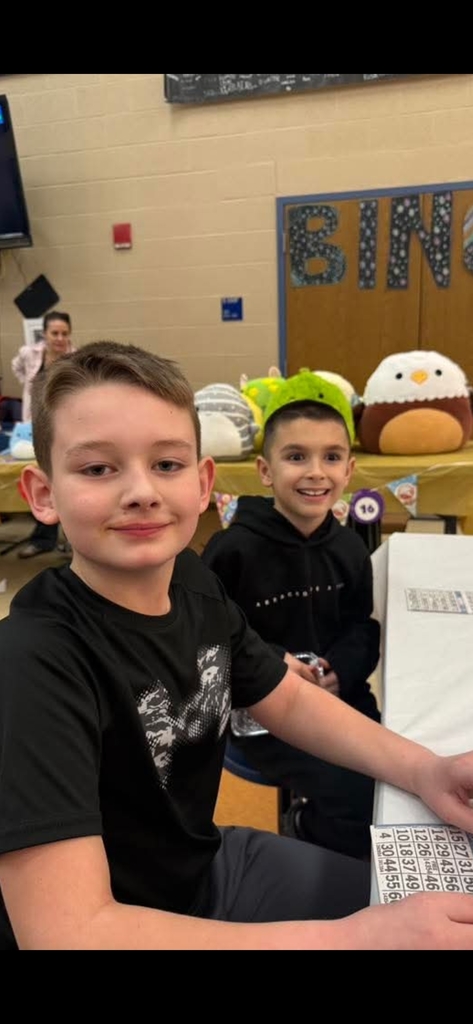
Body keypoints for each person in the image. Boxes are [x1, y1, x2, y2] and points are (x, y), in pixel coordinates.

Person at [1, 342, 473, 951]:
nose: (141, 491)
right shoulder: (32, 663)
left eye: (166, 464)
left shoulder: (192, 581)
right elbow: (69, 933)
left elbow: (286, 698)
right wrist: (352, 938)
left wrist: (425, 770)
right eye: (97, 469)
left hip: (208, 870)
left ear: (203, 484)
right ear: (42, 494)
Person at [202, 372, 380, 860]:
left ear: (350, 469)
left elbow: (362, 628)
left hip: (341, 699)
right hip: (263, 710)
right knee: (356, 796)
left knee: (395, 779)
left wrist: (341, 671)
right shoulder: (232, 549)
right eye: (296, 456)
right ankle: (307, 831)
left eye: (331, 457)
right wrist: (271, 664)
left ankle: (327, 830)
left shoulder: (350, 548)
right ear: (265, 470)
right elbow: (206, 634)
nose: (316, 472)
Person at [11, 310, 74, 558]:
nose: (60, 338)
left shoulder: (75, 357)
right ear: (45, 334)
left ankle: (74, 540)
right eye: (55, 333)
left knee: (67, 480)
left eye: (64, 333)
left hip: (65, 426)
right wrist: (27, 386)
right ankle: (43, 540)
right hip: (34, 425)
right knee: (43, 480)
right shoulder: (30, 353)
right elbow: (17, 367)